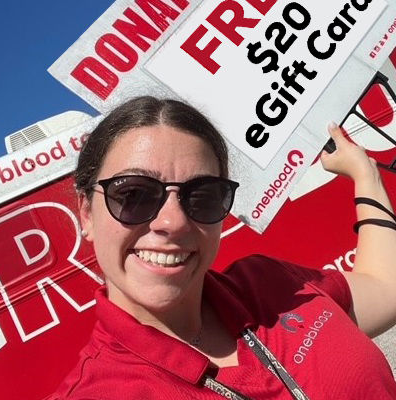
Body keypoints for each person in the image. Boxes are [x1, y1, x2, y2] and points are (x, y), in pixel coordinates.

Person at [51, 96, 396, 399]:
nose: (173, 222)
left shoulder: (269, 285)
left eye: (202, 195)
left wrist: (365, 174)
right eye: (133, 194)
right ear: (86, 214)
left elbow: (385, 288)